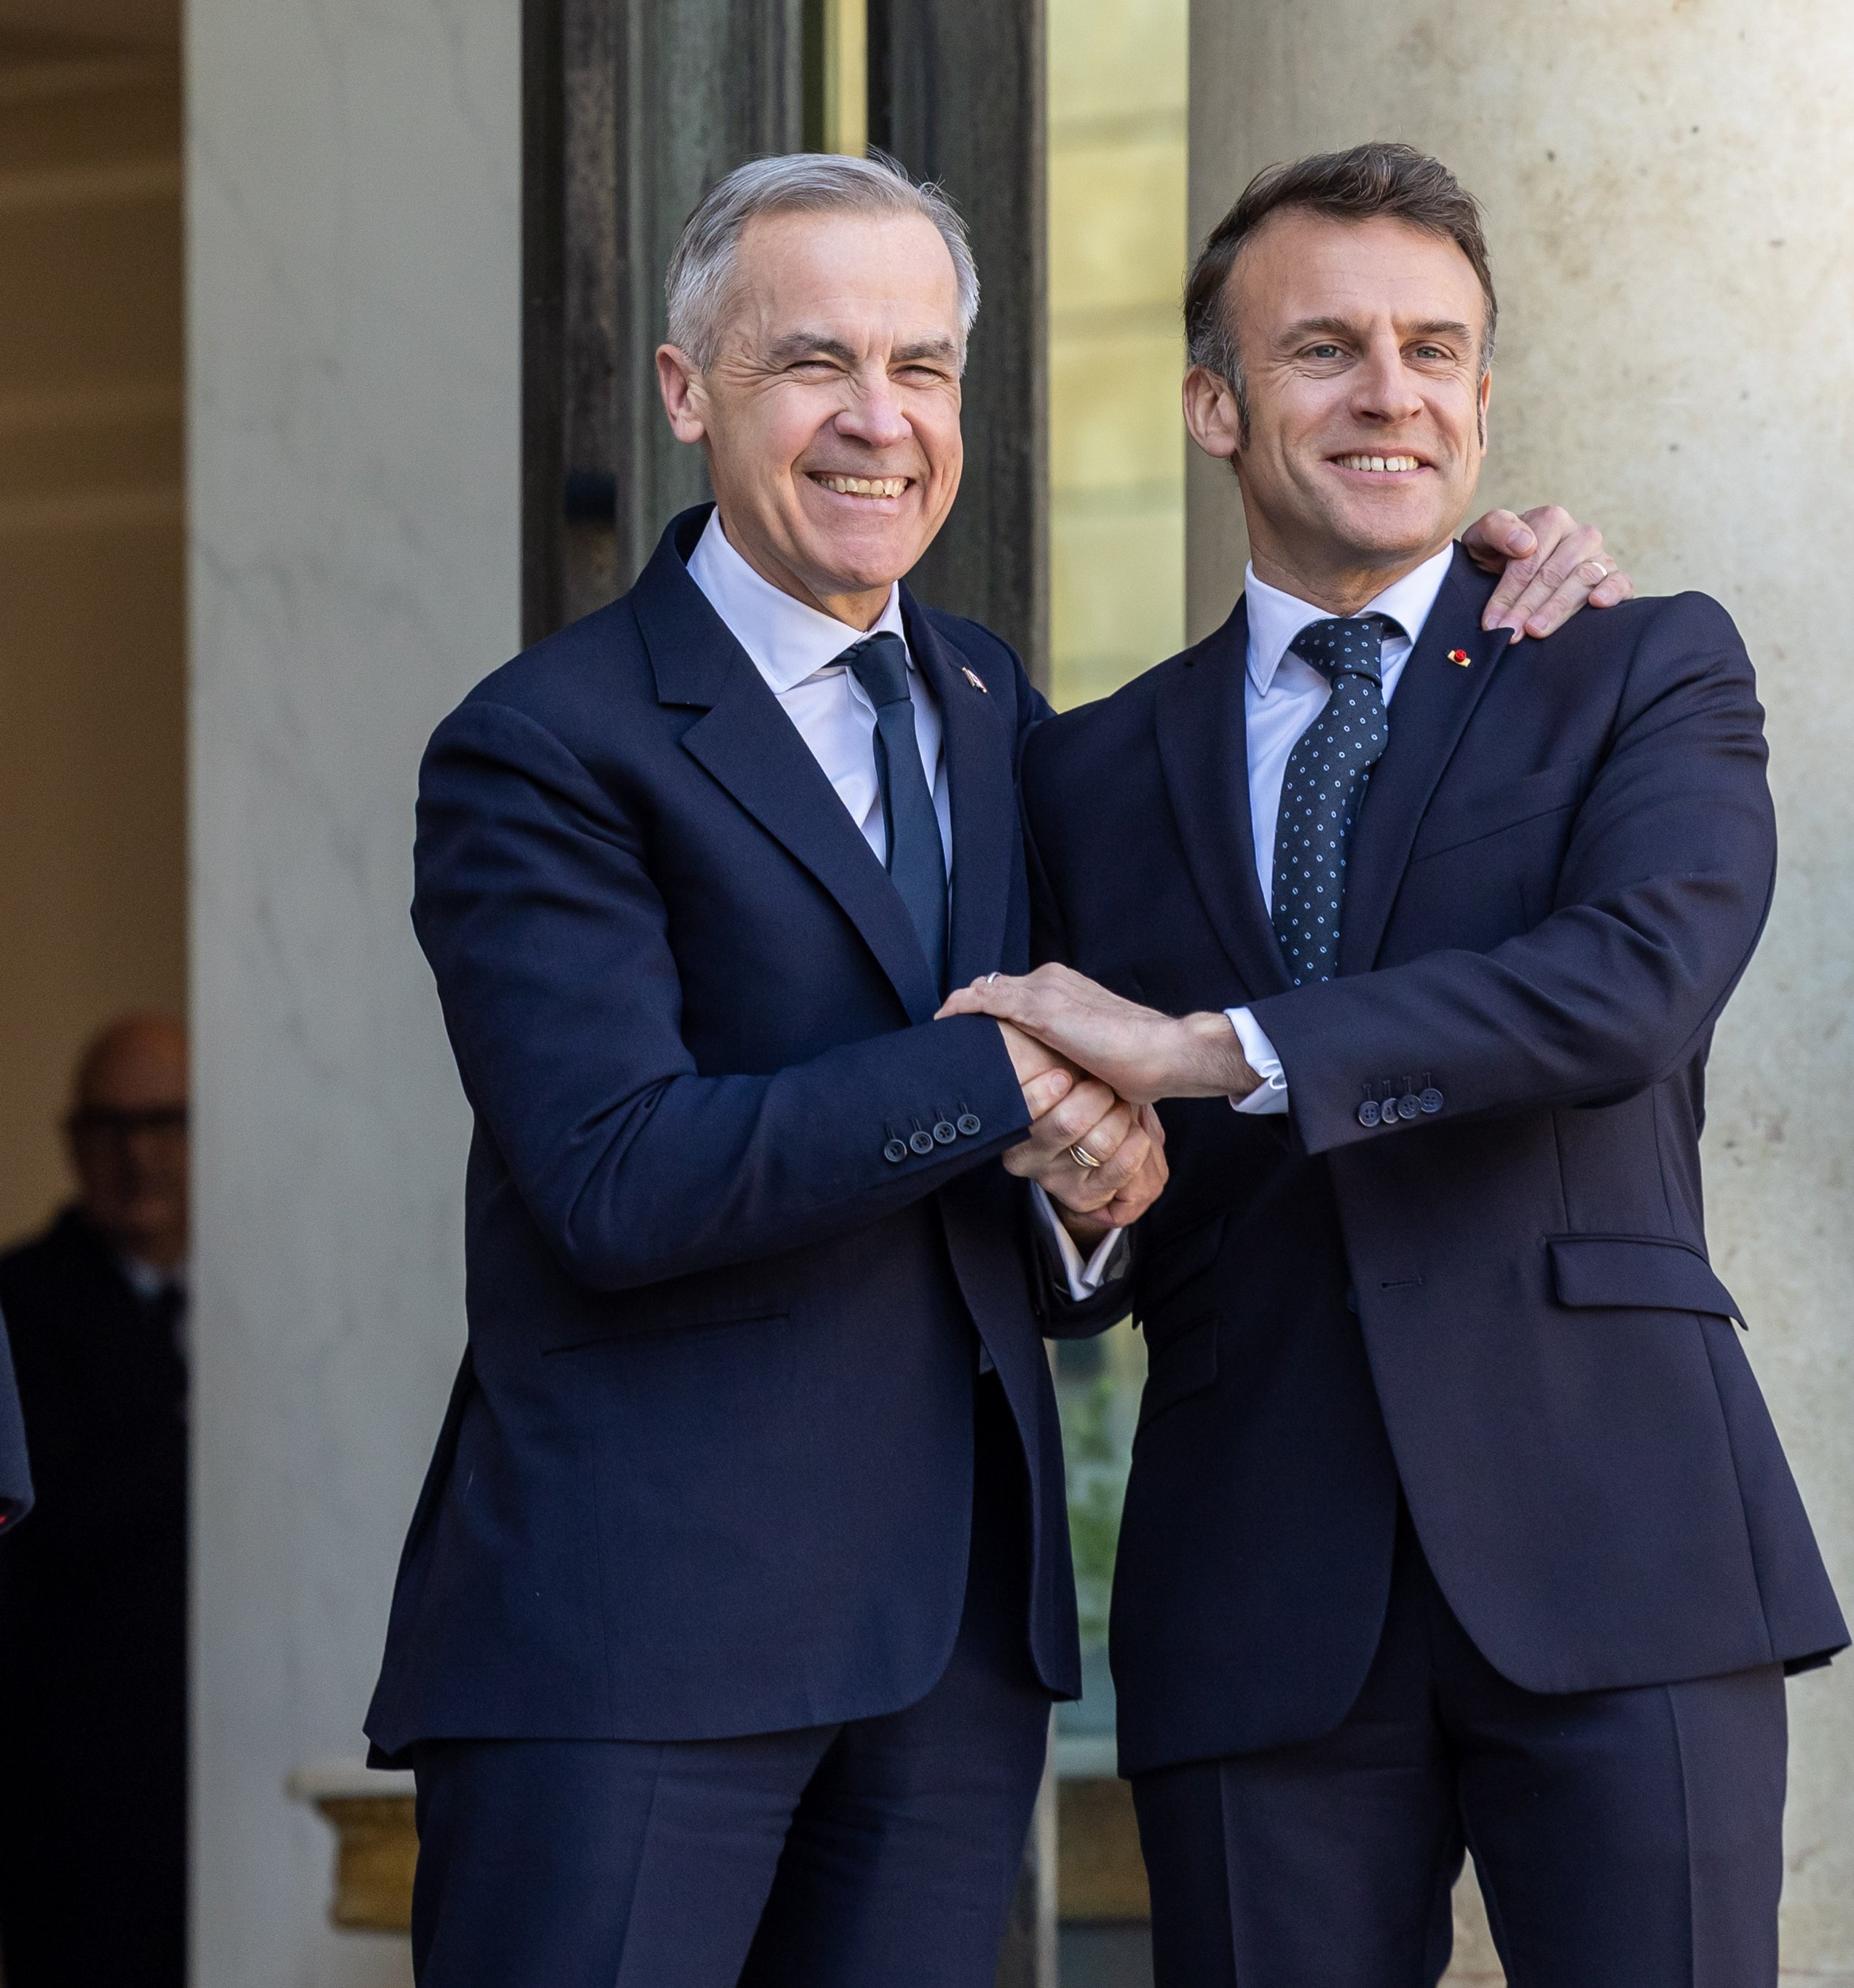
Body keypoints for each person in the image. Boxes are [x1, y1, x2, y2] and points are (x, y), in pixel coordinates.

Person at [368, 147, 1627, 1988]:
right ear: (683, 389)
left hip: (950, 1662)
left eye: (924, 370)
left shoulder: (995, 718)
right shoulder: (544, 746)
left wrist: (1101, 1207)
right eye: (814, 363)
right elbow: (615, 1179)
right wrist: (988, 1087)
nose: (877, 422)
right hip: (631, 1646)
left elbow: (1084, 1148)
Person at [950, 142, 1847, 1988]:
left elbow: (1630, 991)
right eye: (1324, 350)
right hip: (1255, 1573)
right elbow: (1071, 1177)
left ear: (1485, 396)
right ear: (1211, 403)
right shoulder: (1081, 770)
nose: (1390, 394)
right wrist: (1089, 1217)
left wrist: (1214, 1050)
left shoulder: (1636, 667)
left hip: (1621, 1542)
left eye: (1435, 350)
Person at [0, 1014, 194, 1988]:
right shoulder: (17, 1306)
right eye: (113, 1125)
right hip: (72, 1809)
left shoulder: (261, 1302)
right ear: (74, 1142)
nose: (141, 1150)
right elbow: (56, 1522)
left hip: (232, 1787)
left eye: (166, 1120)